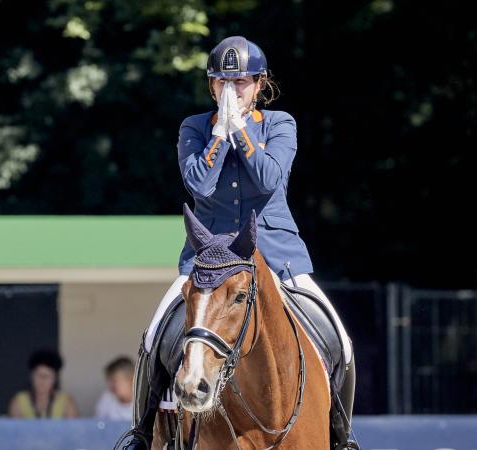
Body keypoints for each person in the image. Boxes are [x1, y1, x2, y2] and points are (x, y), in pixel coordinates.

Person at [119, 35, 355, 449]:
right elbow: (198, 182)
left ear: (259, 84)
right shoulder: (194, 127)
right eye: (223, 83)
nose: (232, 91)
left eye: (241, 83)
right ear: (212, 86)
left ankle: (340, 435)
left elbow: (268, 179)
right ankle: (141, 434)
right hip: (208, 260)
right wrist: (218, 135)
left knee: (339, 340)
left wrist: (241, 129)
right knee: (155, 334)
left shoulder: (280, 124)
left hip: (278, 259)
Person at [9, 349, 79, 419]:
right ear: (31, 376)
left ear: (55, 379)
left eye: (47, 376)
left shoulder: (66, 403)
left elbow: (73, 428)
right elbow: (15, 429)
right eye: (38, 375)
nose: (42, 381)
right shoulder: (18, 402)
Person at [95, 356, 135, 420]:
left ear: (132, 380)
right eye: (109, 381)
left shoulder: (145, 401)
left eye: (115, 381)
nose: (110, 386)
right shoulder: (107, 398)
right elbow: (97, 425)